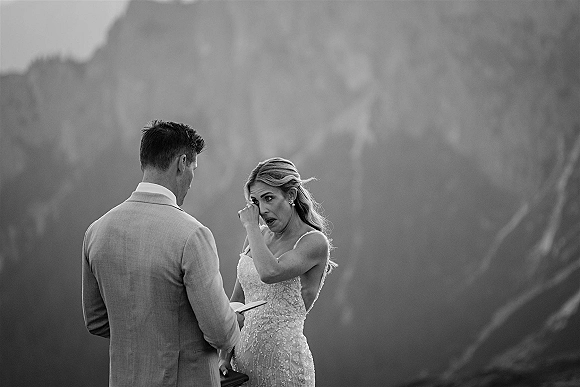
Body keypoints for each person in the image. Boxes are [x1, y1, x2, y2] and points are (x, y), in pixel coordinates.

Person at [82, 120, 241, 386]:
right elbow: (220, 333)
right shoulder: (192, 235)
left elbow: (97, 321)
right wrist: (233, 318)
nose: (192, 179)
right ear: (181, 163)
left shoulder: (96, 231)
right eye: (193, 168)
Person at [219, 157, 337, 386]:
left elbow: (270, 273)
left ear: (291, 195)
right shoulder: (257, 236)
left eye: (269, 198)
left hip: (285, 368)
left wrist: (251, 226)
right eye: (255, 201)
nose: (262, 210)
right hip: (242, 368)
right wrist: (224, 357)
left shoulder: (313, 242)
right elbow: (237, 302)